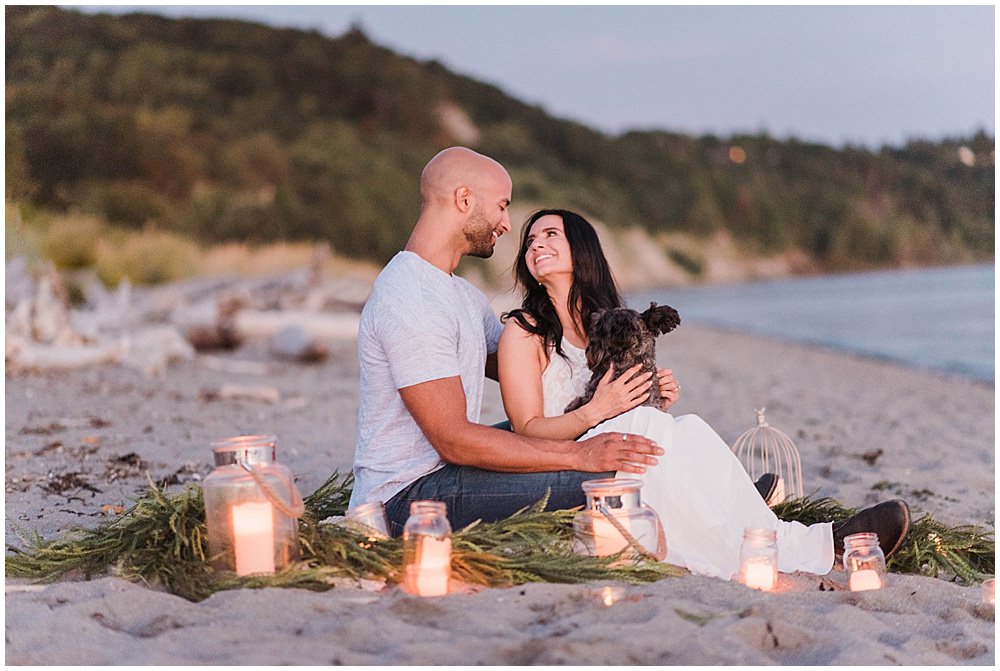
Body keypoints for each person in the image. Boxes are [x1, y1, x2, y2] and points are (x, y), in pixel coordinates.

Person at [496, 208, 911, 579]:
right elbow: (525, 429)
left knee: (685, 424)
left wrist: (651, 395)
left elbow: (622, 403)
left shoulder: (606, 323)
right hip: (567, 459)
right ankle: (812, 544)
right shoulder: (525, 330)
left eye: (551, 234)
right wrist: (598, 412)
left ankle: (757, 527)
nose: (537, 244)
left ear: (582, 249)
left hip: (621, 440)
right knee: (645, 425)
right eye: (531, 240)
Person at [350, 147, 665, 535]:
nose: (505, 223)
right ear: (464, 199)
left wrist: (631, 388)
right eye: (501, 206)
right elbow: (453, 439)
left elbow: (542, 370)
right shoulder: (411, 297)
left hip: (448, 469)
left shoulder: (460, 295)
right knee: (616, 471)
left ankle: (731, 496)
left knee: (624, 438)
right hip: (406, 497)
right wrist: (579, 452)